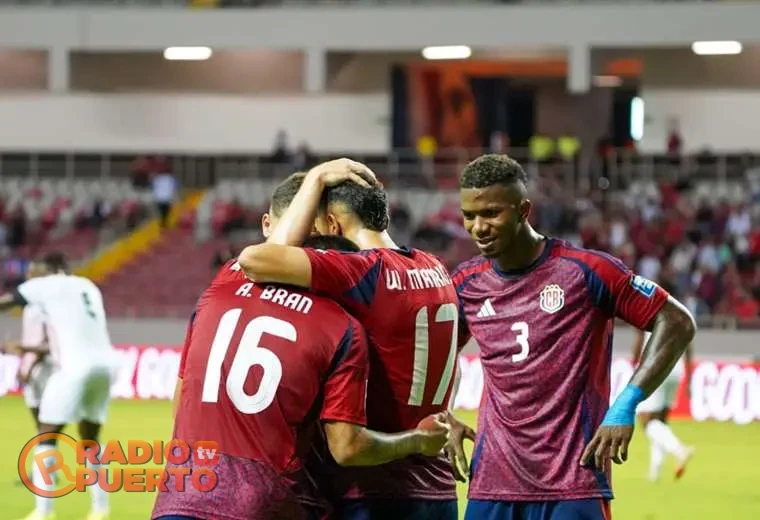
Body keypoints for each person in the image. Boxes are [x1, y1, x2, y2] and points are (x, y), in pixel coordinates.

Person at [447, 154, 696, 520]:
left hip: (574, 482)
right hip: (492, 482)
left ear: (524, 210)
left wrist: (626, 404)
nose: (479, 227)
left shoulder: (586, 271)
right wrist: (443, 413)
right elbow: (438, 352)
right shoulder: (466, 283)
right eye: (469, 216)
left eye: (491, 213)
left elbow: (677, 321)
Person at [152, 234, 449, 520]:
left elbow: (181, 407)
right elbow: (347, 447)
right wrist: (418, 441)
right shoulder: (341, 328)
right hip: (263, 500)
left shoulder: (217, 294)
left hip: (180, 493)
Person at [237, 159, 466, 520]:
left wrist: (316, 176)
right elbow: (456, 367)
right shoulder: (435, 268)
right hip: (439, 492)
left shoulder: (362, 272)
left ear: (332, 224)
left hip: (374, 493)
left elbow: (254, 261)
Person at [0, 252, 116, 520]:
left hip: (75, 366)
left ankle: (43, 512)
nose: (31, 277)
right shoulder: (87, 285)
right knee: (90, 439)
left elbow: (7, 302)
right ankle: (100, 508)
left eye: (35, 271)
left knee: (46, 435)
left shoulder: (45, 284)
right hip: (106, 365)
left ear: (48, 269)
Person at [632, 329, 696, 482]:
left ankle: (680, 450)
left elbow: (640, 336)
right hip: (676, 368)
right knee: (660, 421)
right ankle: (655, 471)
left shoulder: (650, 314)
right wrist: (689, 378)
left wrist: (634, 365)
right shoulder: (683, 316)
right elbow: (688, 344)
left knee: (646, 421)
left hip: (655, 365)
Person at [8, 260, 54, 430]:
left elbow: (47, 340)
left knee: (46, 416)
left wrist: (30, 367)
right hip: (34, 363)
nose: (28, 276)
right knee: (39, 415)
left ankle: (46, 443)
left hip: (44, 364)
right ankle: (45, 444)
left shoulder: (46, 307)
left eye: (32, 273)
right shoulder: (30, 307)